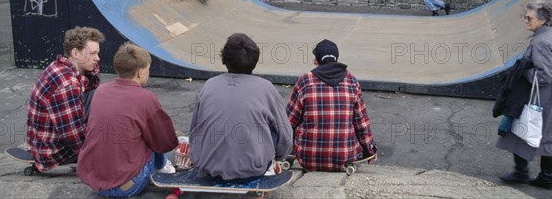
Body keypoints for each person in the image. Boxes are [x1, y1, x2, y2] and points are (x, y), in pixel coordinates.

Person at [77, 43, 177, 197]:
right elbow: (165, 142)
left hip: (95, 181)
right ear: (141, 72)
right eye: (148, 69)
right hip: (126, 186)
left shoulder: (100, 91)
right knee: (153, 132)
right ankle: (164, 167)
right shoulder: (145, 99)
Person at [189, 33, 292, 181]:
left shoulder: (209, 85)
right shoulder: (266, 88)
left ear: (225, 59)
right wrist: (280, 157)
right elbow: (285, 136)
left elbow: (195, 130)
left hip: (209, 167)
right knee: (275, 127)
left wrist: (198, 158)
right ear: (254, 60)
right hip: (253, 169)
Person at [497, 0, 552, 190]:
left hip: (539, 98)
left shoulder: (541, 42)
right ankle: (546, 177)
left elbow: (546, 74)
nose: (526, 20)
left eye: (529, 17)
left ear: (543, 20)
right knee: (549, 136)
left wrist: (522, 72)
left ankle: (521, 172)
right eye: (525, 17)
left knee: (520, 131)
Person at [286, 39, 377, 172]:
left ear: (316, 61)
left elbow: (289, 121)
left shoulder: (305, 81)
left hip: (308, 159)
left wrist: (279, 149)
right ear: (336, 59)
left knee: (299, 119)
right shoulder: (352, 81)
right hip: (344, 159)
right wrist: (370, 150)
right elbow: (361, 123)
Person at [26, 26, 104, 172]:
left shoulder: (65, 65)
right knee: (105, 104)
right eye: (92, 53)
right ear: (75, 53)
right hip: (53, 152)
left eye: (97, 53)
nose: (97, 58)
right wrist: (93, 158)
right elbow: (72, 134)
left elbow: (93, 87)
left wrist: (92, 69)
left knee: (103, 95)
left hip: (47, 138)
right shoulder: (66, 83)